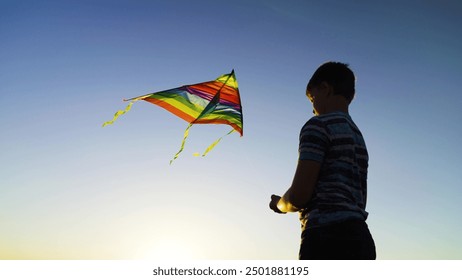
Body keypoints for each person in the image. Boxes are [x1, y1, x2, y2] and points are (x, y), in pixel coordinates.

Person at [269, 62, 376, 260]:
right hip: (361, 239)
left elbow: (299, 197)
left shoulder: (317, 125)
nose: (312, 109)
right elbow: (361, 199)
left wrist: (280, 205)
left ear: (325, 89)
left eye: (312, 99)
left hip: (325, 238)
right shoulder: (358, 138)